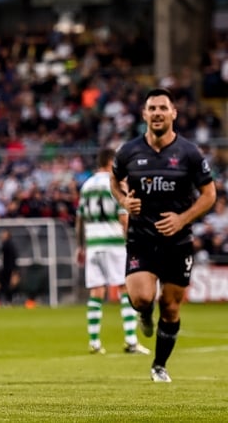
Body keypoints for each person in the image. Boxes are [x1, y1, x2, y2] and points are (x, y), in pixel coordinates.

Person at [110, 88, 216, 383]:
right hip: (142, 238)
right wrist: (124, 201)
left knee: (170, 307)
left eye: (163, 108)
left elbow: (209, 195)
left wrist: (182, 219)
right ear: (144, 114)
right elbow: (114, 180)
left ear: (173, 114)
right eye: (152, 108)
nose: (157, 113)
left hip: (177, 242)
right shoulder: (128, 151)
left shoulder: (189, 153)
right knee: (142, 298)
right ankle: (143, 313)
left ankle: (159, 365)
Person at [77, 147, 150, 355]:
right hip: (114, 242)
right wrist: (132, 241)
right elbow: (123, 216)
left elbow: (79, 218)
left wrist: (80, 246)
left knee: (96, 291)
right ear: (111, 162)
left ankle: (94, 342)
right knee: (125, 288)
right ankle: (131, 340)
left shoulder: (87, 185)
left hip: (93, 243)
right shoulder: (115, 183)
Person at [0, 229, 19, 306]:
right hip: (7, 268)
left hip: (8, 269)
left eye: (4, 234)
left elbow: (0, 250)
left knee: (6, 285)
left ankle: (8, 300)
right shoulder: (8, 244)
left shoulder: (8, 245)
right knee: (4, 285)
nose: (2, 236)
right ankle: (6, 300)